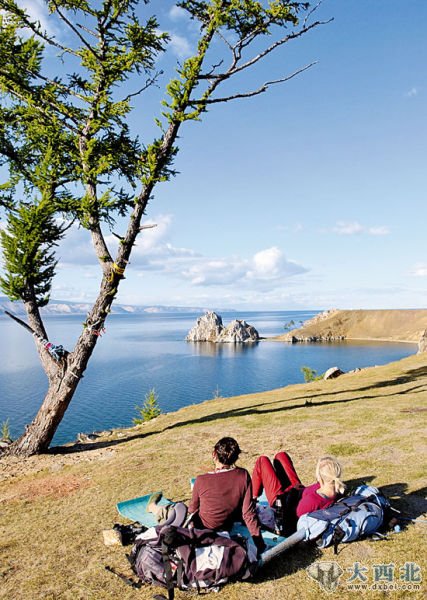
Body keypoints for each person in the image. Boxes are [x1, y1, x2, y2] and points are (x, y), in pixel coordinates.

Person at [188, 437, 266, 555]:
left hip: (203, 530)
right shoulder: (243, 475)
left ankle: (155, 508)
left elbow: (192, 512)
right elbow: (248, 514)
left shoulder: (201, 480)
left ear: (214, 454)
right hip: (226, 527)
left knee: (176, 510)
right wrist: (260, 544)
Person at [252, 452, 345, 534]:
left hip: (282, 502)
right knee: (281, 456)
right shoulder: (336, 489)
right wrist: (296, 489)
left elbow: (292, 517)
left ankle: (252, 499)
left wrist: (291, 492)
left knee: (262, 461)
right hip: (296, 492)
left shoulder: (312, 500)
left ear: (320, 477)